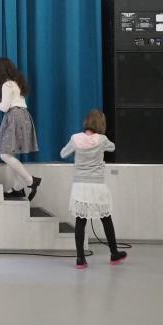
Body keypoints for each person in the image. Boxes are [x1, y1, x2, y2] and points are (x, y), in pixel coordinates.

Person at [60, 109, 127, 269]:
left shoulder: (75, 138)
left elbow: (63, 154)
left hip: (80, 186)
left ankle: (80, 259)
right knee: (106, 219)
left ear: (86, 122)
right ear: (101, 124)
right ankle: (114, 253)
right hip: (97, 185)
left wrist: (77, 152)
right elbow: (112, 147)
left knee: (80, 221)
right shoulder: (102, 140)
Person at [0, 57, 42, 203]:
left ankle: (30, 180)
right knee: (10, 153)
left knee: (4, 154)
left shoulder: (7, 84)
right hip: (22, 116)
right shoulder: (15, 83)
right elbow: (9, 103)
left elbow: (4, 107)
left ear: (2, 71)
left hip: (14, 117)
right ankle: (17, 188)